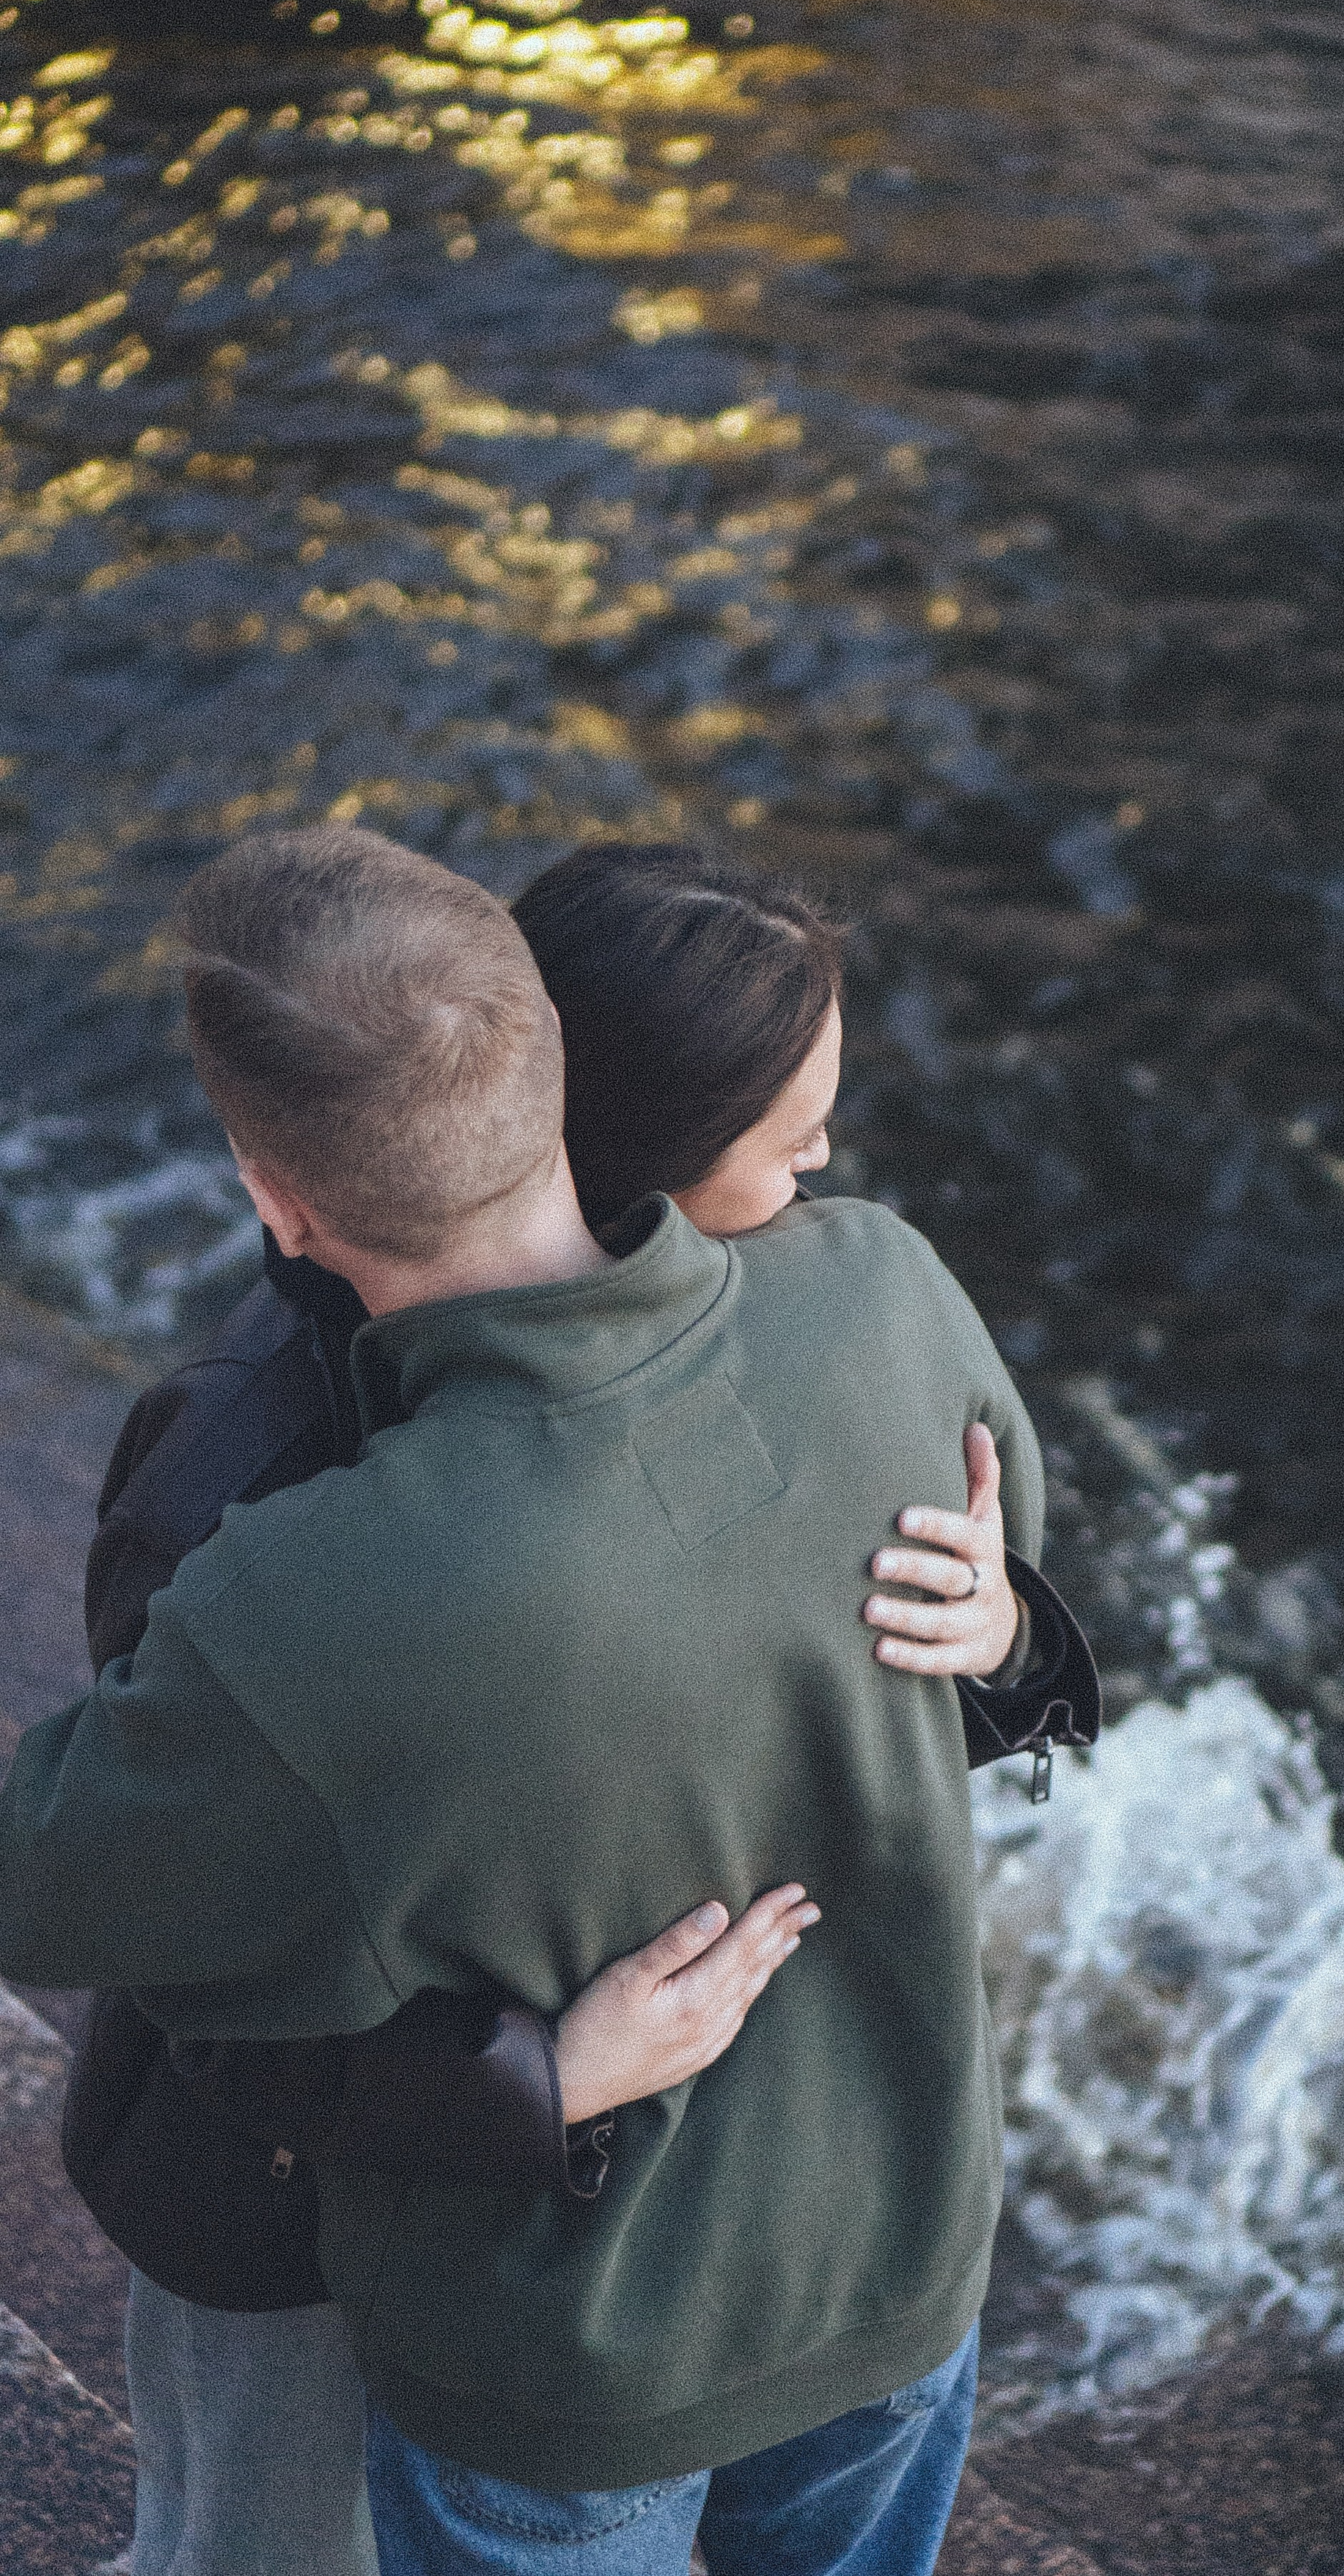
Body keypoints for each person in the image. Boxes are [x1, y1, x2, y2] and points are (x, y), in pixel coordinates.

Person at [0, 826, 1087, 2576]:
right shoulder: (886, 1287)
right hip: (891, 2259)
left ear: (277, 1194)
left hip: (579, 2354)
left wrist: (1015, 1640)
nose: (818, 1160)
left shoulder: (301, 1590)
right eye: (788, 1130)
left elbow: (83, 1889)